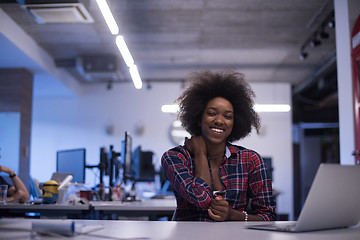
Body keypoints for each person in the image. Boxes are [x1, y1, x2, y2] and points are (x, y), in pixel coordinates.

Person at [161, 70, 276, 221]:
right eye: (211, 113)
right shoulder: (175, 158)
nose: (219, 121)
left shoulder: (250, 160)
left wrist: (232, 215)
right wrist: (200, 154)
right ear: (198, 118)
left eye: (227, 116)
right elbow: (201, 198)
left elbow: (269, 216)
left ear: (235, 122)